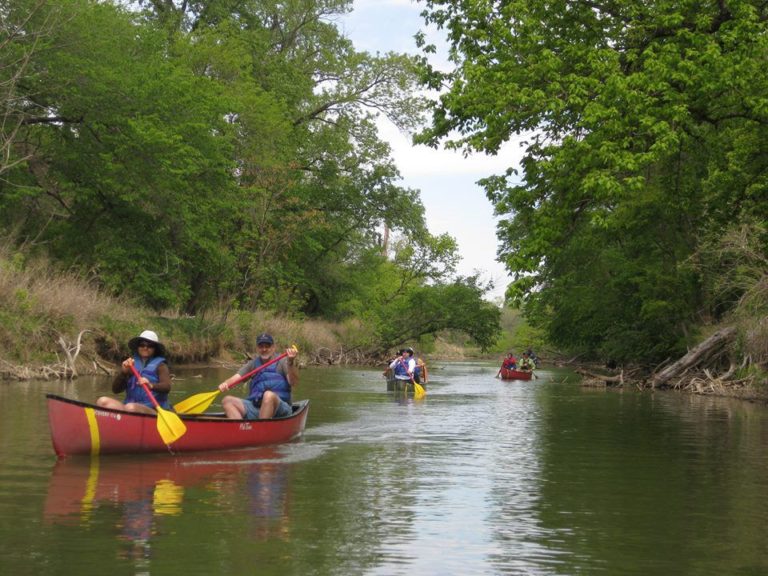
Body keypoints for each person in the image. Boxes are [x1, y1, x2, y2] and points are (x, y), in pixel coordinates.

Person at [217, 333, 299, 419]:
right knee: (227, 401)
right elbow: (236, 378)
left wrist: (290, 362)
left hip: (281, 409)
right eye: (261, 346)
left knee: (268, 395)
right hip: (256, 408)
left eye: (267, 346)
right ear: (257, 348)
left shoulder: (283, 362)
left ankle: (261, 426)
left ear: (273, 347)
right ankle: (241, 426)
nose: (264, 349)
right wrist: (225, 384)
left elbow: (293, 382)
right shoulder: (252, 364)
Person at [97, 330, 172, 414]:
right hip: (130, 407)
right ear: (138, 347)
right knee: (102, 401)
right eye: (142, 345)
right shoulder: (131, 364)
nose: (145, 348)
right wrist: (123, 373)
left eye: (150, 346)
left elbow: (167, 387)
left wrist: (150, 385)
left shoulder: (161, 366)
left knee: (131, 407)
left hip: (154, 410)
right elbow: (115, 390)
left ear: (155, 349)